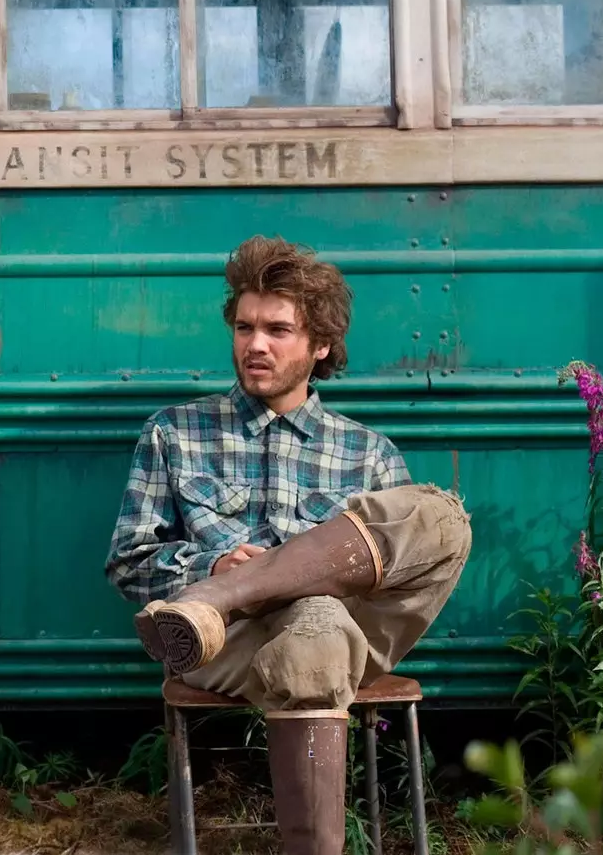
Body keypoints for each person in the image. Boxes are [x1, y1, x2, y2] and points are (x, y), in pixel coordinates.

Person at [104, 235, 472, 855]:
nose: (255, 344)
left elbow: (403, 573)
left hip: (348, 632)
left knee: (442, 518)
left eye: (277, 330)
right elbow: (129, 561)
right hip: (229, 638)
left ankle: (229, 592)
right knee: (315, 634)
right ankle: (229, 593)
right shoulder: (176, 433)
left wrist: (244, 583)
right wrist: (208, 562)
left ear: (320, 346)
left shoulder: (369, 452)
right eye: (245, 327)